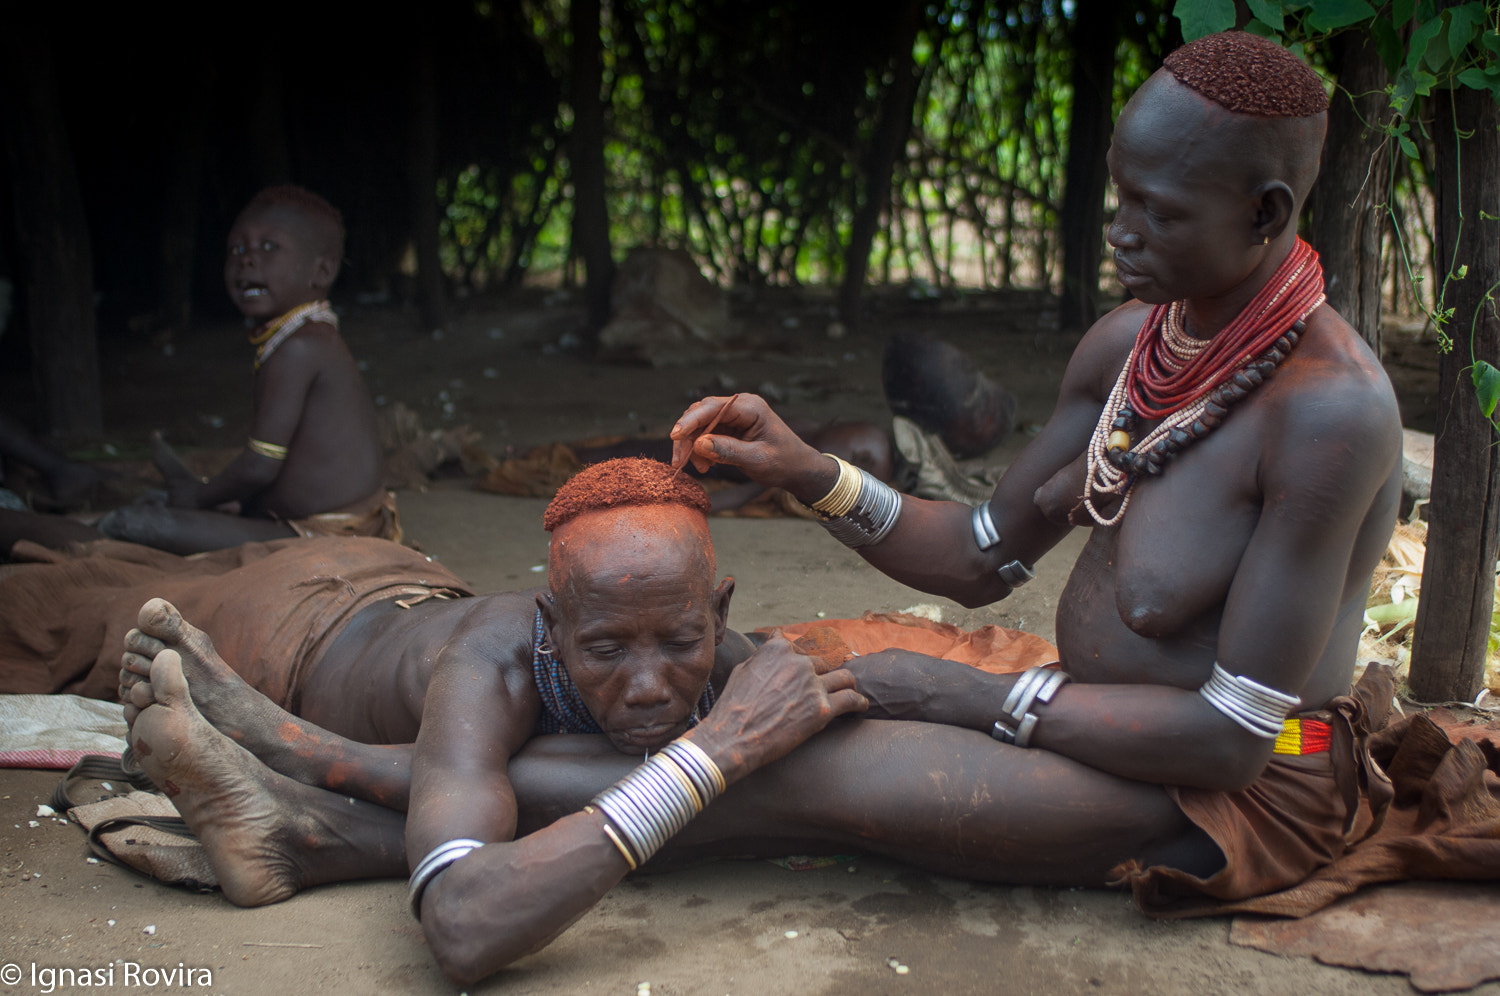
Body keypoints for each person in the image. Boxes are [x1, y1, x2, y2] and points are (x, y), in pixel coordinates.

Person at [671, 30, 1408, 914]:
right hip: (1083, 715)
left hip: (1231, 787)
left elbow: (1230, 738)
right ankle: (482, 792)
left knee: (790, 766)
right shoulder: (1132, 347)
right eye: (1118, 196)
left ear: (1264, 213)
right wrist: (808, 470)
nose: (1118, 232)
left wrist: (962, 694)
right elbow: (982, 556)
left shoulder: (1330, 414)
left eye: (1158, 212)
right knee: (709, 690)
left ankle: (486, 845)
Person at [96, 185, 395, 554]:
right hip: (300, 522)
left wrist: (199, 495)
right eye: (236, 249)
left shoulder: (300, 347)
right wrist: (223, 500)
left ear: (323, 269)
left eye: (270, 247)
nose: (247, 260)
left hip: (324, 535)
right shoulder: (299, 338)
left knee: (138, 525)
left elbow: (260, 467)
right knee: (161, 508)